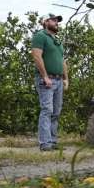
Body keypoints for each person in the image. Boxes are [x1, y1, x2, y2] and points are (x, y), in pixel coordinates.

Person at [30, 13, 69, 151]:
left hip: (58, 80)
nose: (57, 22)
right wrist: (45, 76)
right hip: (47, 79)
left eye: (57, 20)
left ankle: (52, 142)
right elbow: (36, 56)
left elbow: (62, 61)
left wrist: (66, 78)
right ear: (45, 22)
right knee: (47, 110)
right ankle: (45, 143)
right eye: (54, 20)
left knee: (56, 112)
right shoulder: (40, 36)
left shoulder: (57, 41)